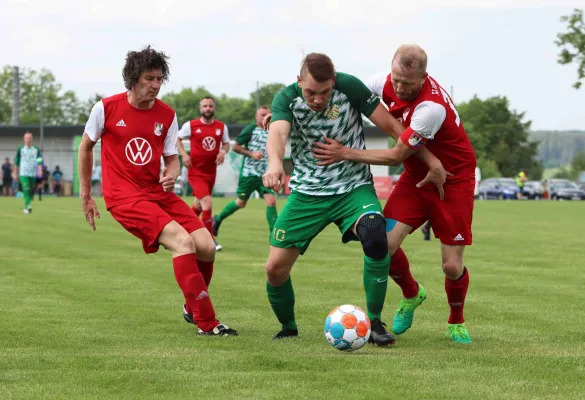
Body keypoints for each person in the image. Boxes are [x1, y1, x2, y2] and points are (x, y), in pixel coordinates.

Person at [262, 53, 448, 344]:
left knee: (376, 236)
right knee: (274, 269)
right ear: (299, 82)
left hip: (353, 187)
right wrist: (274, 164)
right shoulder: (285, 98)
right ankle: (288, 327)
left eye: (324, 93)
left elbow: (392, 128)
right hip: (307, 193)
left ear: (334, 82)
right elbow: (277, 132)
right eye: (310, 92)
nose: (317, 100)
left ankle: (374, 322)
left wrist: (429, 158)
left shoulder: (349, 87)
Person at [311, 44, 477, 343]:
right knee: (381, 245)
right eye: (397, 79)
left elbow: (397, 155)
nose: (399, 87)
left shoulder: (431, 108)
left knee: (451, 266)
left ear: (424, 77)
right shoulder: (381, 82)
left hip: (453, 180)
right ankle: (412, 294)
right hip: (417, 178)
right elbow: (346, 93)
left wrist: (344, 153)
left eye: (408, 83)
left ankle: (455, 321)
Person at [77, 45, 237, 336]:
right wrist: (86, 195)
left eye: (160, 78)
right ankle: (207, 322)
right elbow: (85, 148)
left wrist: (171, 175)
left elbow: (172, 159)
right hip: (124, 196)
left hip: (156, 192)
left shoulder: (167, 115)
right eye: (150, 79)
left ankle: (191, 306)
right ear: (134, 78)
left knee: (206, 246)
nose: (156, 85)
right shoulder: (105, 108)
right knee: (182, 242)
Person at [213, 106, 278, 242]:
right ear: (256, 117)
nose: (265, 117)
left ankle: (274, 237)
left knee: (271, 201)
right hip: (249, 173)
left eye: (267, 114)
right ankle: (217, 219)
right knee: (241, 203)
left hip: (264, 174)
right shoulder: (250, 129)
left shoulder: (272, 130)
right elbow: (235, 146)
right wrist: (251, 154)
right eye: (262, 114)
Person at [177, 96, 230, 251]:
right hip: (195, 172)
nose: (208, 108)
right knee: (207, 203)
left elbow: (226, 144)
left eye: (210, 106)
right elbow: (178, 139)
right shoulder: (191, 125)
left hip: (211, 172)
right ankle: (210, 239)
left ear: (214, 108)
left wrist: (223, 151)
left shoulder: (221, 127)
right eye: (205, 106)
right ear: (200, 109)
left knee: (198, 206)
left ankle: (182, 228)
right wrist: (184, 155)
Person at [14, 132, 42, 214]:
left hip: (32, 174)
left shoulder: (36, 149)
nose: (28, 139)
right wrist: (15, 173)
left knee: (31, 191)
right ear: (24, 139)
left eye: (29, 138)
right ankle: (28, 205)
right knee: (26, 189)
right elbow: (17, 162)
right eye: (26, 138)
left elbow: (39, 160)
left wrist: (40, 170)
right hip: (23, 173)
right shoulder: (20, 149)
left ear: (32, 139)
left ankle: (26, 207)